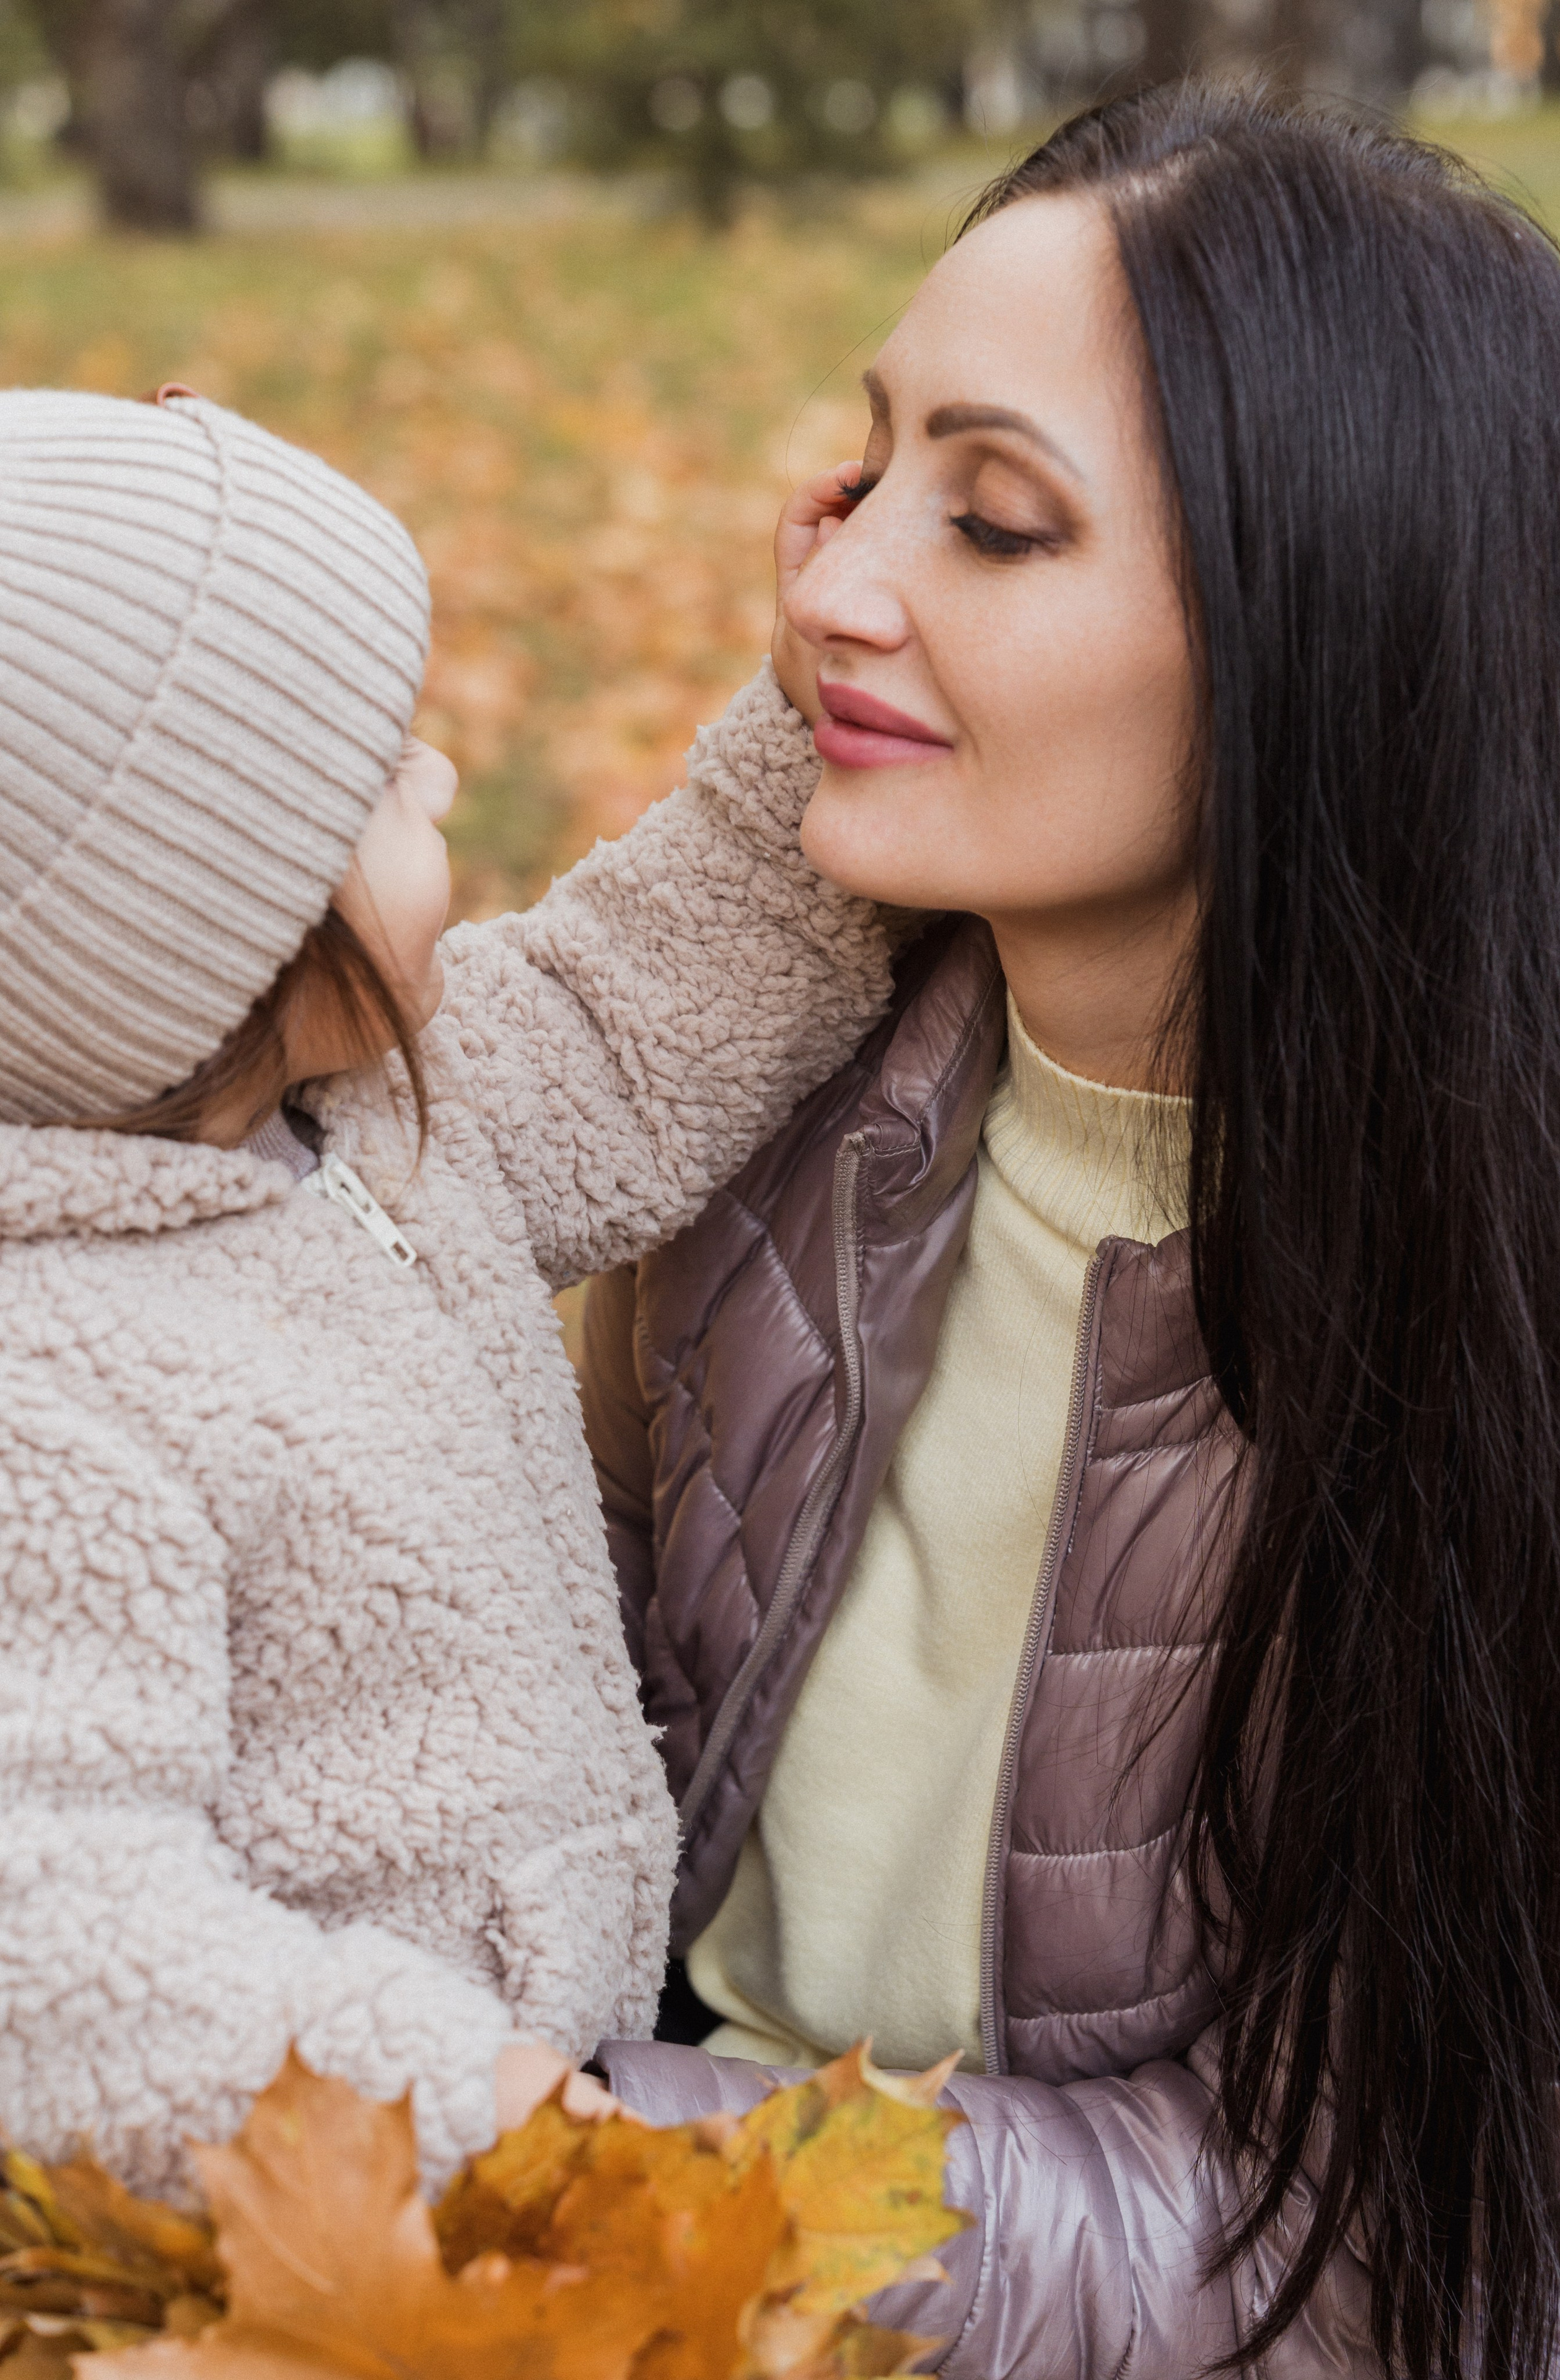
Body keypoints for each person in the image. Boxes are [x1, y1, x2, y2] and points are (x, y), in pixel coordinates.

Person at [579, 81, 1560, 2380]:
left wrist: (590, 2158)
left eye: (998, 521)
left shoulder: (1510, 1315)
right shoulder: (761, 1105)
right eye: (864, 474)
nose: (829, 591)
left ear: (1328, 630)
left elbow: (1370, 2246)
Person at [0, 384, 894, 2196]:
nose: (443, 775)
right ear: (197, 934)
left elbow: (645, 1003)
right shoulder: (59, 1399)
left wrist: (816, 713)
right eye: (376, 778)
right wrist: (494, 2116)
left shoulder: (388, 1111)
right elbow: (62, 1946)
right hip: (345, 2224)